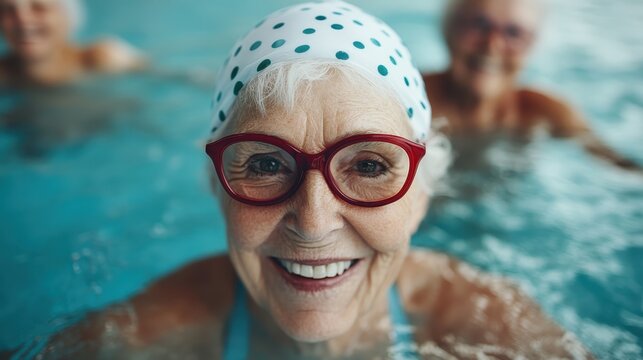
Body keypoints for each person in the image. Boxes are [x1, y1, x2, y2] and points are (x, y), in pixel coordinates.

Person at [39, 2, 592, 358]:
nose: (314, 222)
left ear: (423, 194)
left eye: (370, 165)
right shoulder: (141, 339)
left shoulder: (488, 326)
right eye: (265, 164)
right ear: (213, 184)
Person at [424, 0, 641, 172]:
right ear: (448, 29)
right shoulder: (413, 103)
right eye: (479, 25)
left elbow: (619, 168)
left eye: (513, 33)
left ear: (532, 45)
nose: (493, 45)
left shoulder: (545, 112)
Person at [0, 0, 144, 87]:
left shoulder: (103, 59)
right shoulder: (4, 74)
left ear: (67, 17)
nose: (23, 19)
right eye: (9, 11)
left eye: (39, 8)